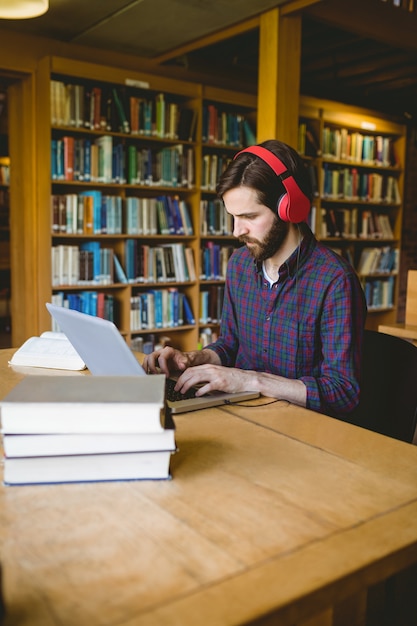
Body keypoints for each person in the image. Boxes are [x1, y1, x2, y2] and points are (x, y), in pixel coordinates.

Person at [144, 139, 367, 418]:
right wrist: (192, 359)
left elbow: (343, 392)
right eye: (233, 217)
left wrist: (249, 381)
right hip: (240, 414)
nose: (237, 231)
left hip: (302, 429)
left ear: (290, 208)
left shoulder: (335, 281)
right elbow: (230, 345)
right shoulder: (239, 264)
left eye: (249, 216)